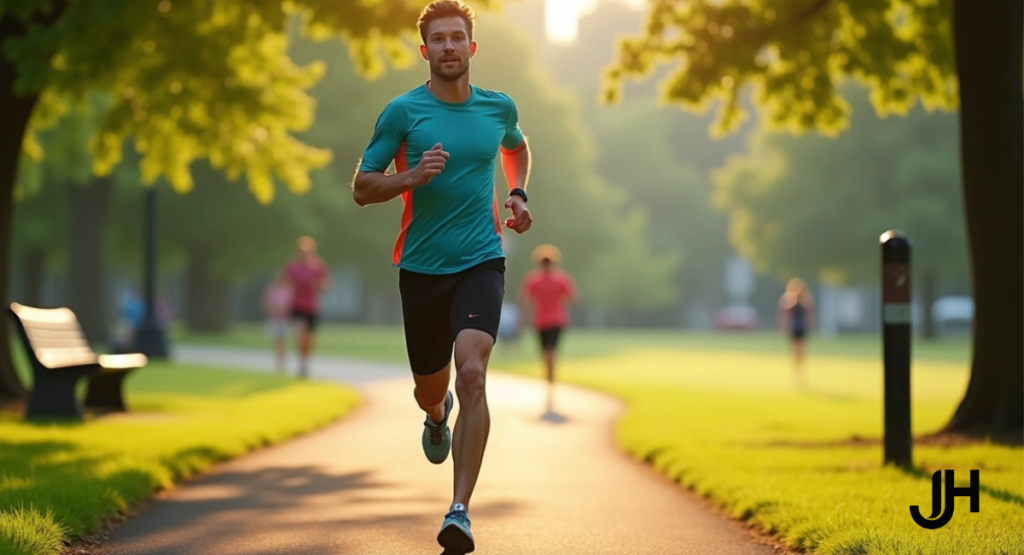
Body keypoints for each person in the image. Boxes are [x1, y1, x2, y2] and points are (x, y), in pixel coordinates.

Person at [351, 1, 533, 552]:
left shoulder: (498, 108)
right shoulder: (403, 113)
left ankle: (459, 510)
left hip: (482, 260)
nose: (449, 47)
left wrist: (519, 193)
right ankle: (436, 415)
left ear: (471, 48)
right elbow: (362, 186)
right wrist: (411, 175)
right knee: (432, 389)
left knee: (472, 371)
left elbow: (517, 148)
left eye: (458, 37)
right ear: (425, 49)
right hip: (422, 269)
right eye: (439, 39)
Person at [518, 244, 578, 413]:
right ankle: (550, 382)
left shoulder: (541, 279)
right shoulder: (549, 279)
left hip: (554, 322)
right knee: (547, 355)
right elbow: (573, 298)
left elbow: (525, 302)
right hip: (543, 322)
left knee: (549, 354)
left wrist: (522, 321)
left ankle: (550, 384)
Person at [282, 236, 331, 378]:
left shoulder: (317, 266)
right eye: (300, 250)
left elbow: (326, 286)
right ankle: (301, 362)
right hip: (296, 304)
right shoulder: (292, 266)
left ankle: (305, 362)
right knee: (300, 334)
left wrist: (317, 285)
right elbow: (285, 284)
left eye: (306, 251)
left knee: (309, 338)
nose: (303, 253)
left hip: (312, 306)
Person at [777, 277, 816, 389]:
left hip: (801, 328)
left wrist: (811, 326)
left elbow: (810, 315)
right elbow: (784, 315)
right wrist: (782, 327)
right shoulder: (788, 299)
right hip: (793, 328)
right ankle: (796, 375)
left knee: (801, 352)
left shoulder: (806, 300)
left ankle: (801, 375)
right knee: (795, 352)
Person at [263, 273, 293, 372]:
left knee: (283, 339)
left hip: (284, 319)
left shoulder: (288, 291)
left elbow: (291, 305)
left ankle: (283, 360)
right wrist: (273, 310)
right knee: (276, 339)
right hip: (274, 318)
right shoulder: (271, 290)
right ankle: (278, 360)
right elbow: (266, 303)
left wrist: (283, 310)